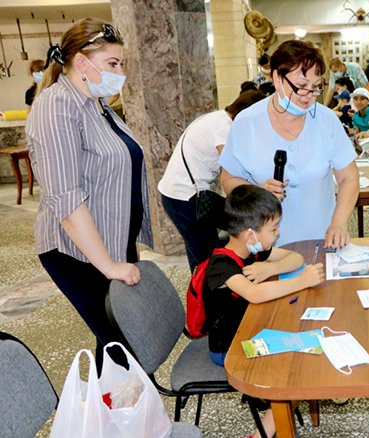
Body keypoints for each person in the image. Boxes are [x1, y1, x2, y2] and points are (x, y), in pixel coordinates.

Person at [26, 18, 151, 371]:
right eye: (112, 64)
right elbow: (65, 199)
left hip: (111, 242)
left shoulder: (98, 105)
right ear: (82, 62)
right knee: (125, 348)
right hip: (77, 251)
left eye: (121, 64)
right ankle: (122, 420)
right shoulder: (57, 105)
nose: (120, 72)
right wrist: (109, 265)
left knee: (115, 349)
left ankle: (114, 418)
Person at [204, 184, 325, 437]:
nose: (278, 233)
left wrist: (269, 269)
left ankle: (273, 420)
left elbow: (295, 258)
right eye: (274, 229)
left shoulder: (252, 251)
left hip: (251, 330)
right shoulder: (221, 265)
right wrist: (302, 281)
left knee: (302, 359)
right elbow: (255, 294)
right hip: (228, 347)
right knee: (296, 373)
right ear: (250, 235)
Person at [219, 40, 359, 248]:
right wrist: (255, 191)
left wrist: (338, 223)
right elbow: (228, 179)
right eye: (301, 87)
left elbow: (349, 177)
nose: (308, 97)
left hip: (321, 239)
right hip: (267, 248)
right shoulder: (246, 122)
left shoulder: (326, 120)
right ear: (277, 78)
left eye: (315, 88)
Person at [158, 90, 265, 271]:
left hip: (177, 194)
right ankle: (207, 294)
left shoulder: (217, 118)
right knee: (206, 254)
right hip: (184, 198)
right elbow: (234, 168)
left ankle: (201, 291)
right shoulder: (224, 129)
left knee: (200, 250)